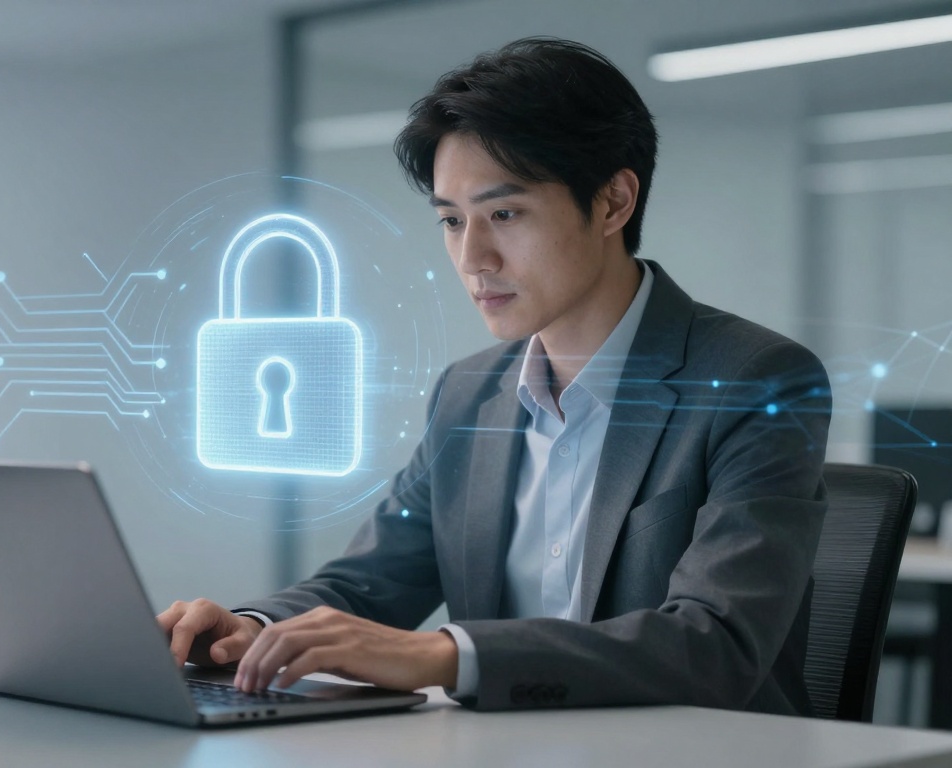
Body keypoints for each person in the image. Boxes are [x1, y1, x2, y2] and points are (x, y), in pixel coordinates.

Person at [157, 37, 831, 714]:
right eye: (452, 221)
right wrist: (253, 630)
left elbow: (715, 645)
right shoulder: (467, 394)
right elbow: (369, 585)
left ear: (612, 203)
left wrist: (447, 655)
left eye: (504, 214)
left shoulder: (756, 379)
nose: (473, 257)